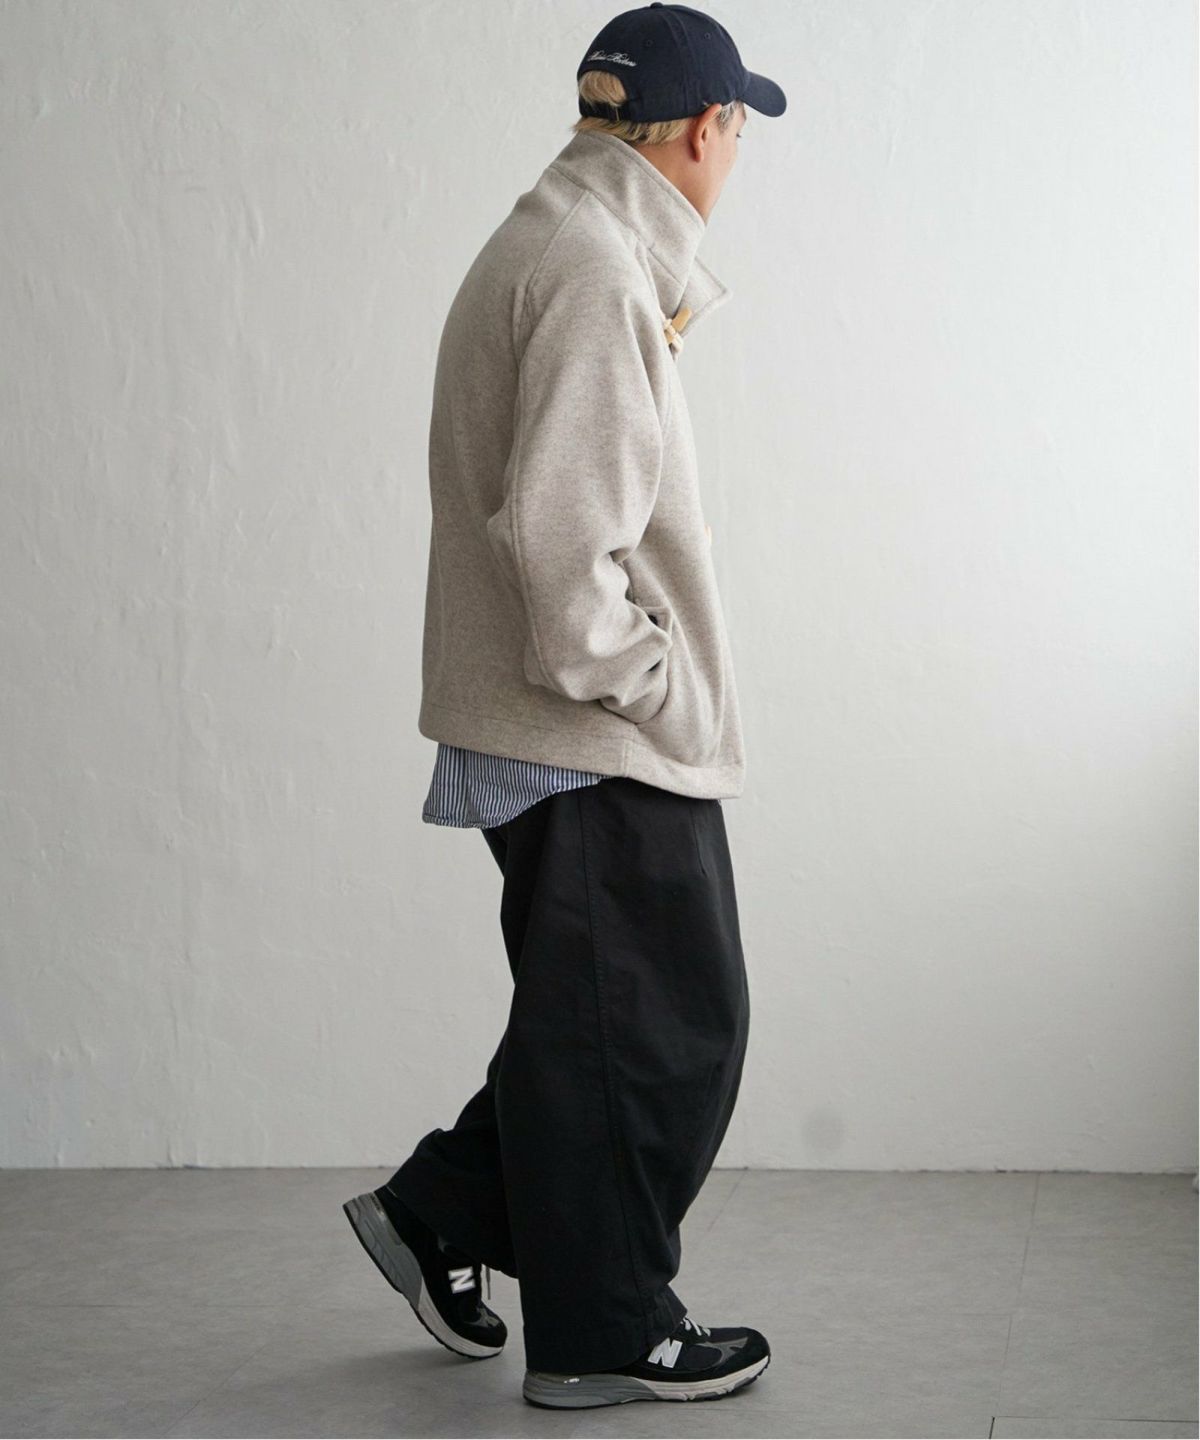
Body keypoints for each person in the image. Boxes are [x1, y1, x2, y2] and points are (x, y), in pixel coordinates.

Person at [343, 2, 786, 1411]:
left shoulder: (560, 233)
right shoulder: (594, 266)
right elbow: (559, 542)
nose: (738, 156)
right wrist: (651, 683)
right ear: (708, 128)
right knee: (660, 1031)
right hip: (586, 732)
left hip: (547, 723)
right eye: (740, 131)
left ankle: (440, 1213)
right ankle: (603, 1332)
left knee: (594, 1025)